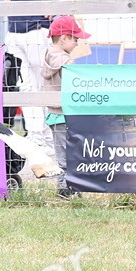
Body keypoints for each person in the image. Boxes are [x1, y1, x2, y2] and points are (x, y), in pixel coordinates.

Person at [2, 0, 88, 160]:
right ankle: (36, 141)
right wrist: (10, 7)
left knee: (43, 87)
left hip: (38, 32)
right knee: (24, 88)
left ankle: (51, 143)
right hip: (14, 33)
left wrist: (60, 5)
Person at [40, 15, 90, 198]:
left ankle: (69, 187)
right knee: (66, 154)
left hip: (56, 115)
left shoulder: (48, 56)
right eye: (75, 39)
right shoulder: (64, 61)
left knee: (65, 151)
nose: (77, 43)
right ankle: (65, 189)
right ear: (64, 38)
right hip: (63, 113)